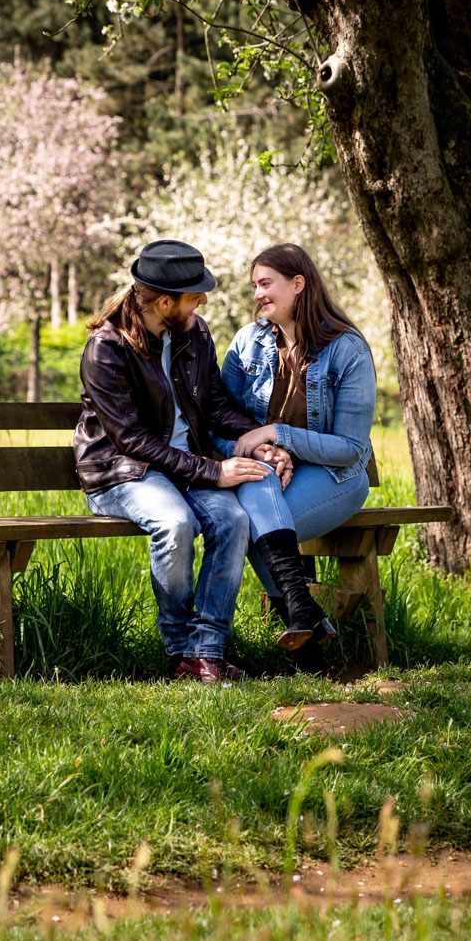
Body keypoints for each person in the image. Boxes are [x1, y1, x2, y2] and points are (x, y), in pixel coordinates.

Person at [75, 239, 277, 682]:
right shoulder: (106, 347)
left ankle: (206, 654)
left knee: (234, 521)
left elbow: (216, 404)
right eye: (194, 294)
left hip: (183, 467)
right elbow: (130, 439)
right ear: (166, 302)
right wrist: (213, 471)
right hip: (123, 472)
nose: (203, 300)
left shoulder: (194, 332)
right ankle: (180, 650)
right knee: (175, 524)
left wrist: (257, 439)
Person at [219, 243, 377, 653]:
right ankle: (305, 617)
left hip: (336, 476)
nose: (257, 295)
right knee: (256, 489)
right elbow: (215, 422)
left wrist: (278, 436)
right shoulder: (247, 344)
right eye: (254, 286)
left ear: (298, 284)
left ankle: (300, 620)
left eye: (266, 284)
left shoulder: (348, 350)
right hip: (270, 475)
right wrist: (262, 452)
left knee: (254, 527)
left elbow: (351, 449)